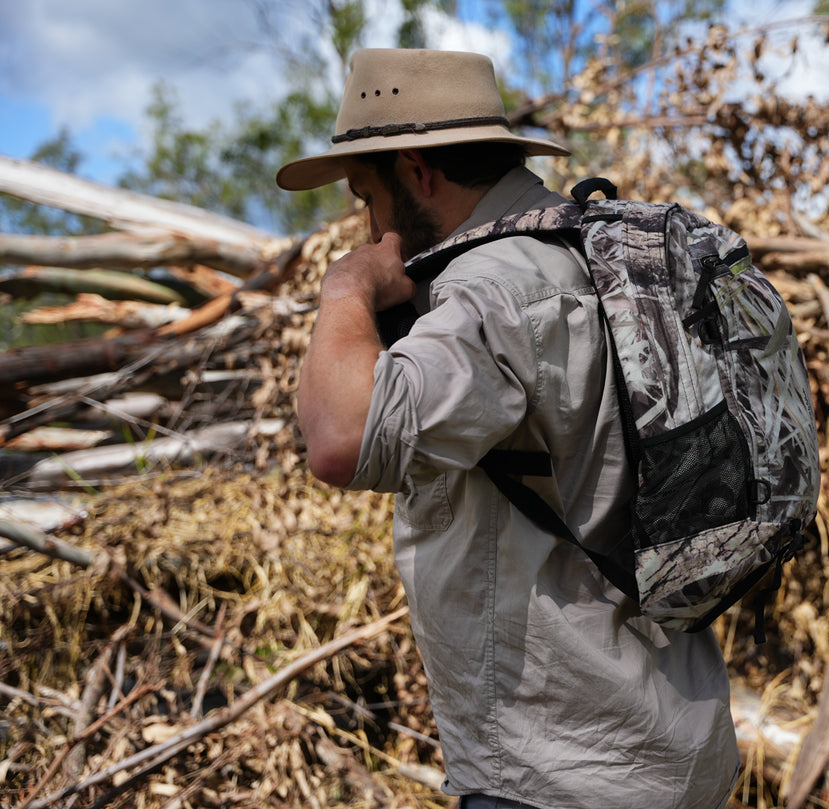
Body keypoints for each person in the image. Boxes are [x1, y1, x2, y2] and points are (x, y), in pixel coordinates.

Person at [279, 49, 739, 809]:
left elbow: (339, 438)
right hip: (671, 743)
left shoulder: (493, 289)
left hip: (558, 769)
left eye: (368, 196)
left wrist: (346, 287)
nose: (368, 226)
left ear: (417, 171)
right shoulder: (587, 249)